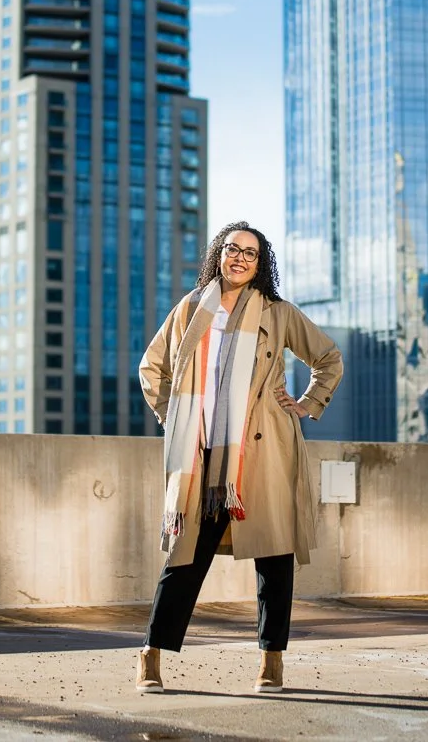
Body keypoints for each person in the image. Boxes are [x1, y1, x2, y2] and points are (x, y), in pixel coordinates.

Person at [136, 221, 343, 694]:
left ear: (260, 263)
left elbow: (328, 358)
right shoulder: (191, 308)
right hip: (201, 452)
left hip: (265, 449)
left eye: (251, 253)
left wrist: (307, 403)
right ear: (219, 253)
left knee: (274, 557)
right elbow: (152, 367)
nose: (240, 258)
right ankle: (152, 652)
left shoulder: (278, 312)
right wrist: (174, 415)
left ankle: (272, 660)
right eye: (233, 249)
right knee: (185, 556)